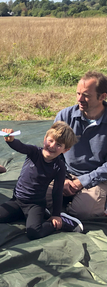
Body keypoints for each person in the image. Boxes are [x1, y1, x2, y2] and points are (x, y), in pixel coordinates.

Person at [0, 122, 83, 240]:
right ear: (45, 139)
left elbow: (57, 191)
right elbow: (20, 146)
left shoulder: (59, 167)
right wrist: (11, 140)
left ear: (65, 150)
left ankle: (60, 224)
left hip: (35, 204)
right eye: (50, 141)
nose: (53, 146)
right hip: (17, 200)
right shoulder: (34, 152)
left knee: (34, 233)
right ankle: (35, 216)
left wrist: (56, 215)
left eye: (59, 144)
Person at [48, 71, 107, 219]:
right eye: (78, 93)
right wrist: (63, 178)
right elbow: (53, 151)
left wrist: (84, 181)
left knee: (84, 212)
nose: (80, 99)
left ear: (103, 96)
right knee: (32, 194)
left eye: (86, 95)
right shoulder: (65, 116)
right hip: (66, 172)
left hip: (97, 178)